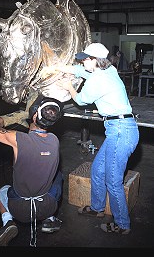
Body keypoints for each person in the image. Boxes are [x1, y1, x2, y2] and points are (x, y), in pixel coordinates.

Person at [41, 42, 139, 235]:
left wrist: (68, 85)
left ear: (95, 60)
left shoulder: (98, 80)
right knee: (97, 170)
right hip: (117, 130)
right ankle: (97, 208)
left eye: (85, 58)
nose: (82, 61)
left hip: (121, 132)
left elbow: (80, 100)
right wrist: (57, 67)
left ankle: (122, 224)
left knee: (113, 181)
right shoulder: (108, 70)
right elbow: (81, 71)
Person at [0, 95, 64, 246]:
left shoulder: (18, 139)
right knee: (58, 176)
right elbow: (37, 136)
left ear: (34, 116)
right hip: (47, 206)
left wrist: (8, 118)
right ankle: (49, 219)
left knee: (3, 191)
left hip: (19, 210)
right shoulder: (54, 140)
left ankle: (8, 222)